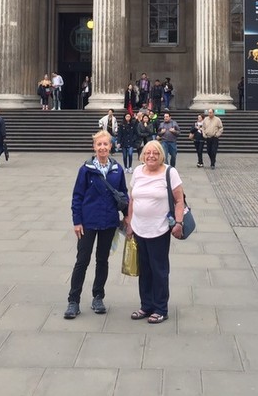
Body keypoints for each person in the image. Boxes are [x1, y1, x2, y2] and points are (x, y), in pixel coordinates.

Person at [65, 130, 128, 319]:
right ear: (94, 147)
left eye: (105, 144)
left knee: (102, 260)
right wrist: (77, 221)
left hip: (108, 221)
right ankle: (73, 300)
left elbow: (123, 194)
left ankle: (98, 297)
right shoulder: (85, 169)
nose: (102, 148)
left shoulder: (117, 169)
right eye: (99, 144)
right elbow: (77, 196)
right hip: (88, 222)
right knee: (82, 261)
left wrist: (127, 216)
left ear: (111, 146)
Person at [124, 139, 185, 324]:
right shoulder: (138, 171)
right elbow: (132, 199)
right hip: (139, 228)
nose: (151, 156)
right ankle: (146, 305)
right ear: (143, 155)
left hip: (159, 229)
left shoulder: (170, 172)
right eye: (148, 153)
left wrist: (179, 223)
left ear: (161, 156)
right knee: (144, 269)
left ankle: (161, 308)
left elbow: (179, 200)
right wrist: (129, 222)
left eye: (156, 153)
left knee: (159, 269)